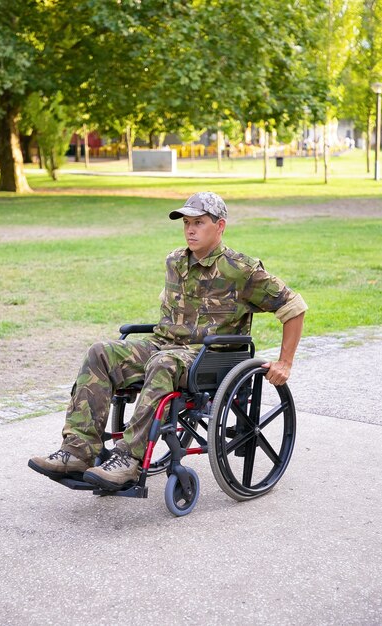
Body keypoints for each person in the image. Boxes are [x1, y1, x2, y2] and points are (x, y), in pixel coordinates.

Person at [29, 191, 307, 491]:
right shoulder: (175, 261)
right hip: (164, 344)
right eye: (186, 222)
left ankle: (128, 458)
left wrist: (285, 362)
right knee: (101, 352)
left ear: (220, 226)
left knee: (164, 363)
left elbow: (293, 307)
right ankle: (78, 450)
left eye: (198, 223)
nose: (190, 229)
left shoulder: (241, 269)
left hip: (208, 359)